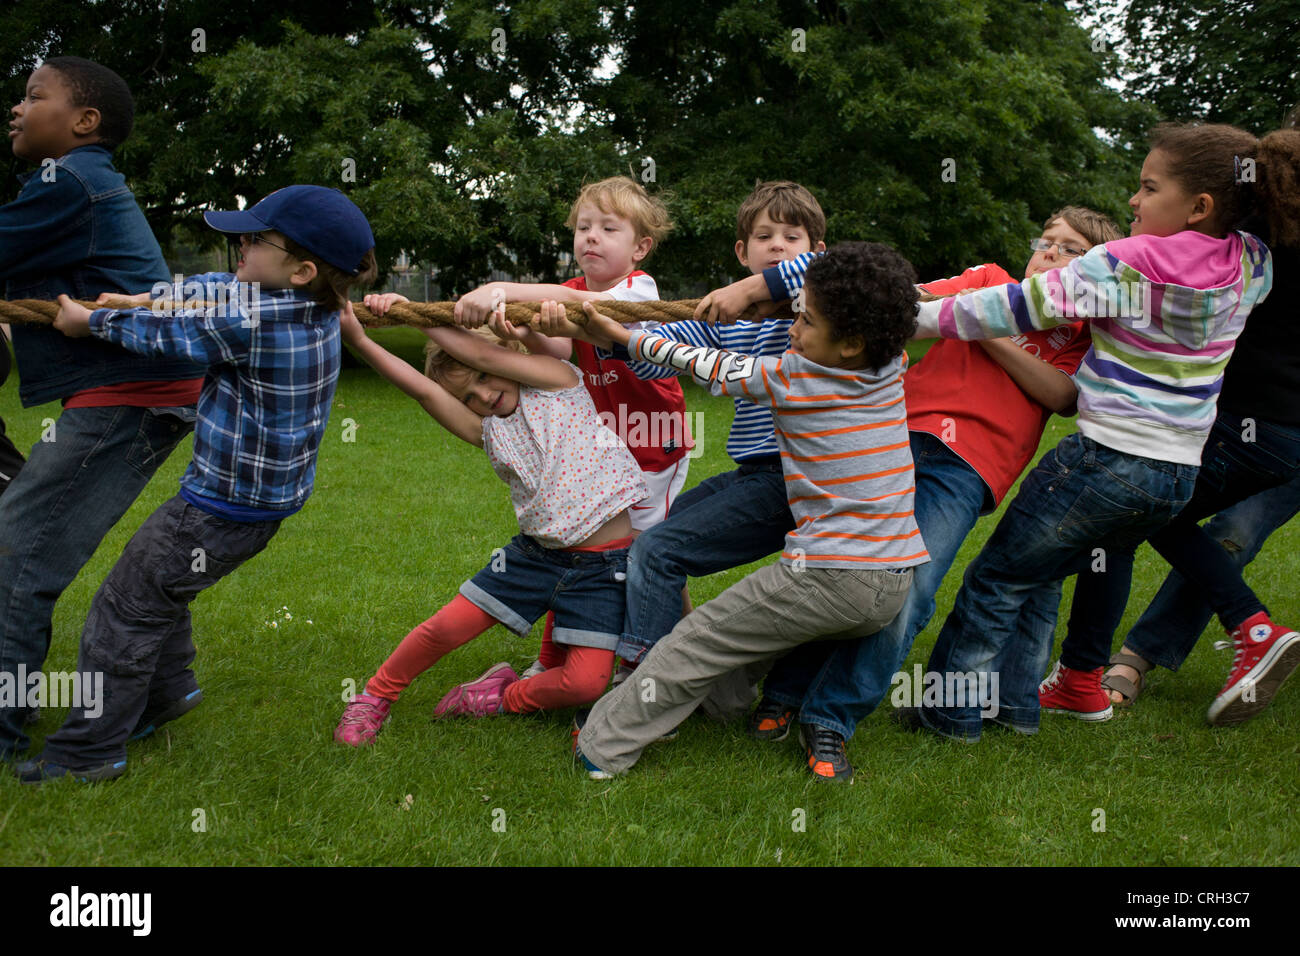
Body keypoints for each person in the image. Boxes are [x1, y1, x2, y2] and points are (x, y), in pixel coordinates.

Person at [14, 184, 377, 782]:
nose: (239, 243)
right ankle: (166, 694)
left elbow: (171, 339)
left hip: (216, 510)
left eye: (256, 239)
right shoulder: (309, 303)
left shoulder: (257, 320)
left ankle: (89, 752)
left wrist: (94, 321)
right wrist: (141, 296)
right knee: (160, 591)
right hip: (255, 510)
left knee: (125, 609)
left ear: (303, 268)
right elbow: (210, 291)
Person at [749, 205, 1121, 779]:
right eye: (1046, 241)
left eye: (1071, 249)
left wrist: (983, 327)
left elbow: (1063, 397)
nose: (1049, 252)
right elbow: (905, 304)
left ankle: (831, 717)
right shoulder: (989, 281)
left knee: (910, 588)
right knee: (836, 562)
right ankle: (786, 688)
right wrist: (978, 312)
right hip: (891, 436)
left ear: (1093, 272)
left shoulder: (1081, 331)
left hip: (969, 468)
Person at [570, 242, 926, 778]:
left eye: (805, 321)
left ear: (851, 342)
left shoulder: (794, 379)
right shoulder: (890, 366)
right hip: (894, 579)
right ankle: (725, 706)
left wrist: (622, 337)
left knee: (698, 639)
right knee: (753, 636)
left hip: (833, 573)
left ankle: (602, 746)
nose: (792, 328)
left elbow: (707, 363)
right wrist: (763, 296)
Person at [375, 176, 688, 679]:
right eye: (583, 227)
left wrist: (499, 290)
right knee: (587, 543)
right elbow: (559, 354)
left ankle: (662, 660)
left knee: (649, 555)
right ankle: (565, 652)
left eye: (609, 228)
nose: (591, 237)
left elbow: (592, 314)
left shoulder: (636, 290)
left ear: (640, 248)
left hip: (652, 441)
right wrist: (519, 332)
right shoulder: (568, 294)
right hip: (607, 440)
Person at [1041, 126, 1300, 725]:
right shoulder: (1268, 242)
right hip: (1280, 437)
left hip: (1248, 425)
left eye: (1148, 188)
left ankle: (1247, 629)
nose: (1136, 199)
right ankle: (1089, 672)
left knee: (1128, 510)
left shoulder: (1258, 241)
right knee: (1137, 517)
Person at [0, 56, 204, 761]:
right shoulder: (75, 183)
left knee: (15, 558)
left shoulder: (70, 180)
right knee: (50, 543)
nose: (17, 110)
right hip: (149, 390)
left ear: (84, 122)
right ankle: (165, 690)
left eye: (34, 97)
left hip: (131, 394)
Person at [333, 295, 648, 745]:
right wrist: (360, 340)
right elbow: (423, 391)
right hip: (534, 558)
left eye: (483, 377)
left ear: (509, 356)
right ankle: (374, 697)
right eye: (468, 396)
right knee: (444, 627)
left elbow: (482, 352)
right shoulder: (484, 429)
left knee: (584, 684)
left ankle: (500, 696)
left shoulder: (559, 381)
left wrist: (416, 316)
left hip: (605, 568)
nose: (481, 395)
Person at [578, 181, 827, 717]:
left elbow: (838, 268)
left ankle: (648, 689)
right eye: (764, 236)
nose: (778, 245)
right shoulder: (726, 318)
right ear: (742, 251)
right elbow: (657, 355)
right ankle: (670, 673)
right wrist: (608, 335)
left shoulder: (826, 305)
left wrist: (751, 288)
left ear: (815, 250)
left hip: (798, 479)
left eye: (792, 236)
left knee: (657, 551)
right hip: (755, 474)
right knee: (648, 541)